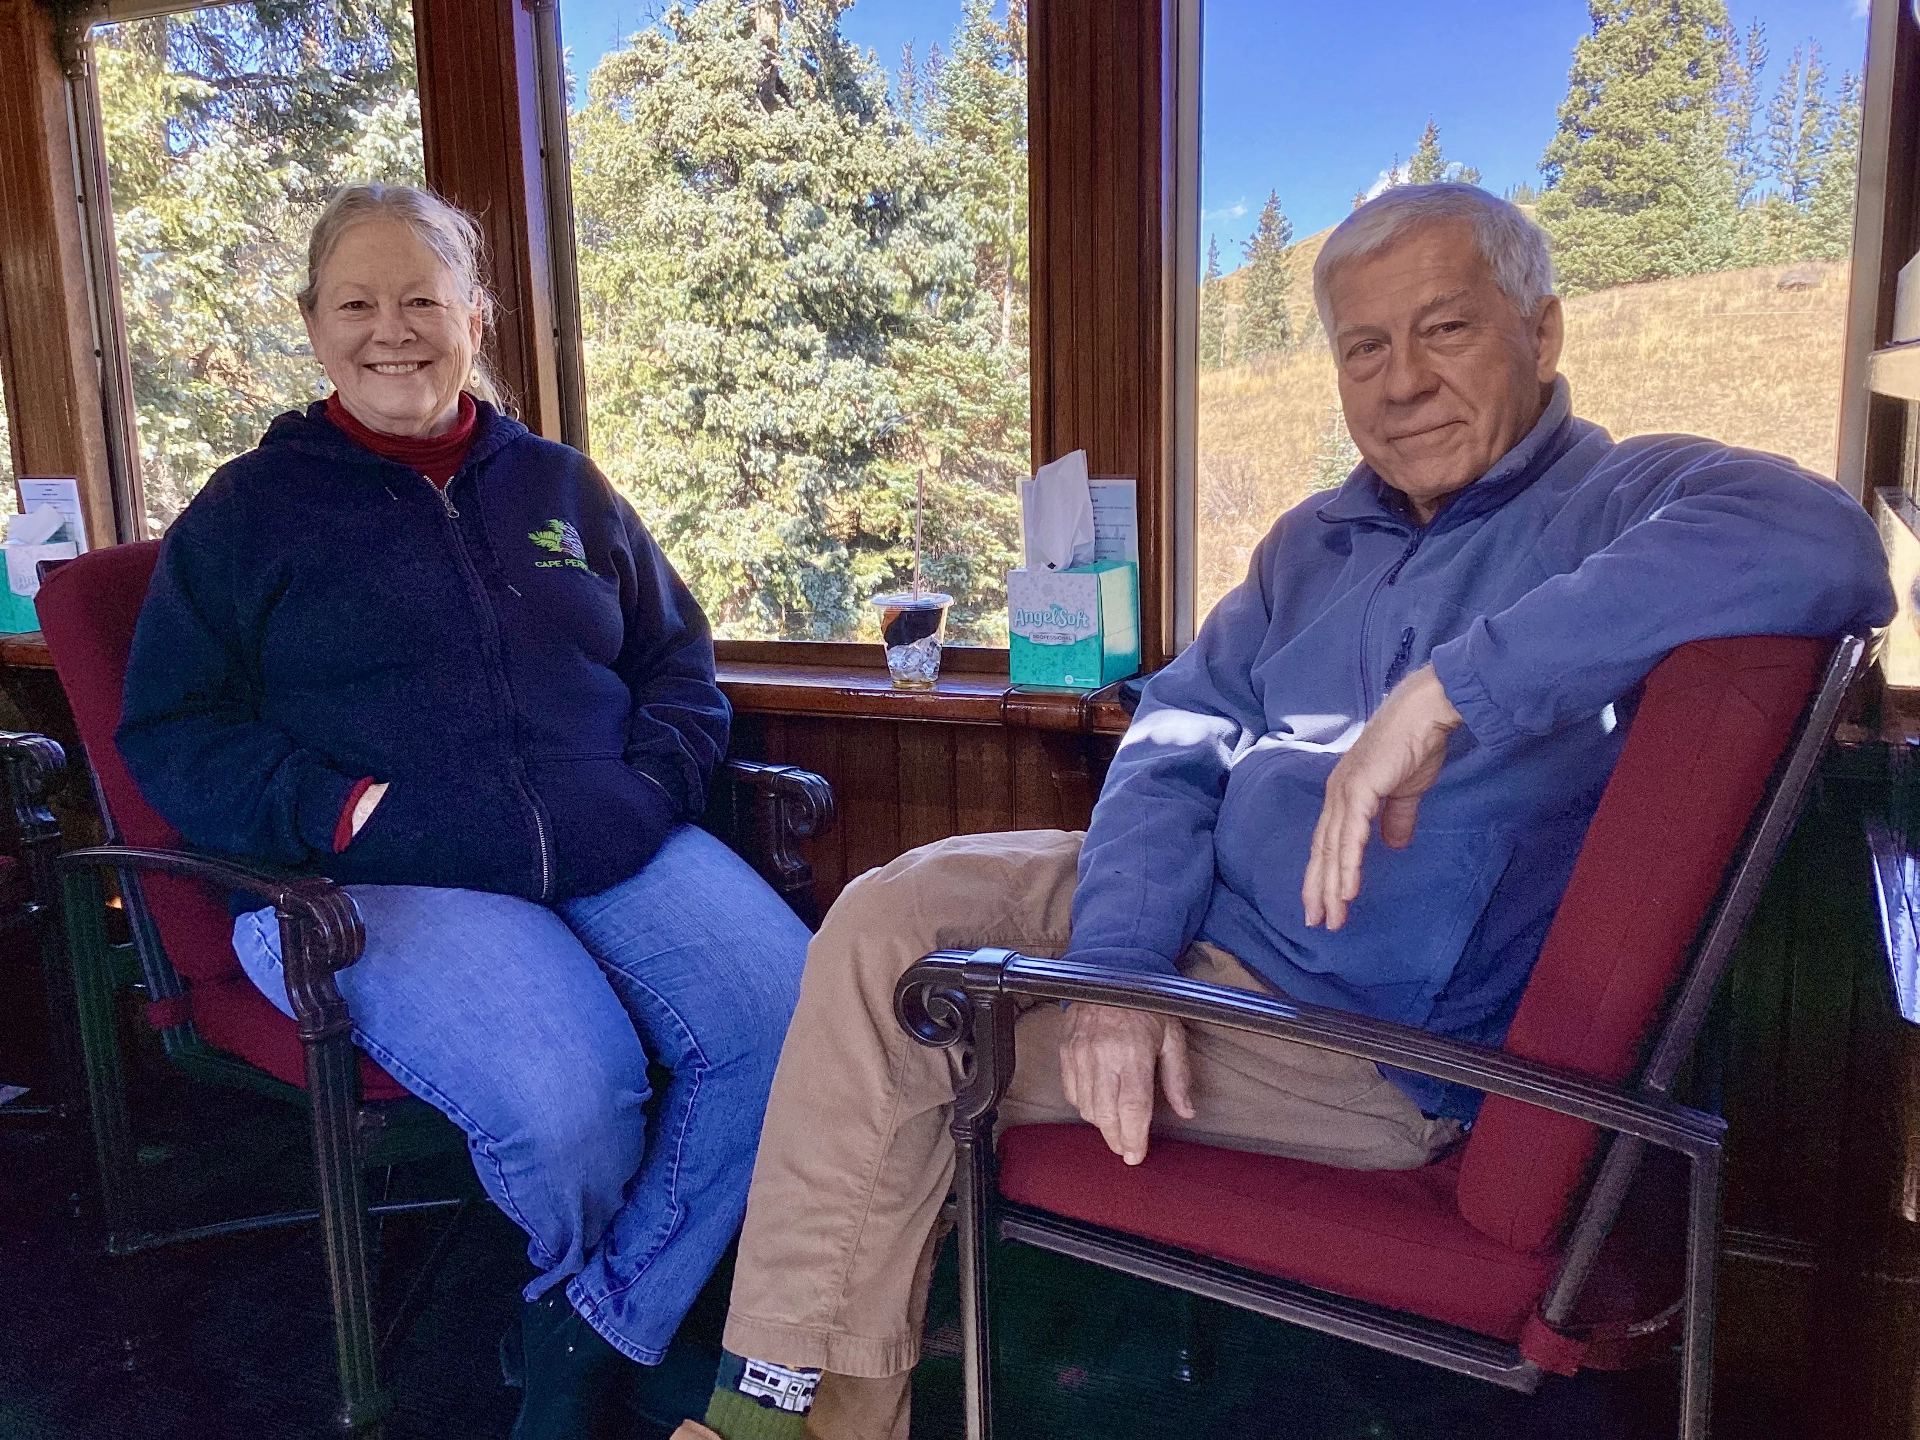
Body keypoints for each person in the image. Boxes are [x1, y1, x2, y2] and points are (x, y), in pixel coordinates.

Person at [670, 183, 1896, 1440]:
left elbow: (1826, 539)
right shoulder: (1314, 539)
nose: (1402, 381)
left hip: (1351, 1040)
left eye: (1446, 330)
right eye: (1365, 348)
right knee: (888, 913)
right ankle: (801, 1402)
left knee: (900, 1044)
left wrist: (1451, 692)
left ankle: (773, 1421)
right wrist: (1120, 969)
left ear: (1545, 331)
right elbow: (1178, 737)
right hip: (1198, 927)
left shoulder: (1619, 501)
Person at [115, 182, 814, 1440]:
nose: (394, 329)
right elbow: (174, 731)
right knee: (572, 1101)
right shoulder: (245, 510)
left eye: (423, 298)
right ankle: (635, 1331)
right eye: (357, 302)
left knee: (803, 1023)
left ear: (475, 316)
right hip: (376, 877)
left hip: (612, 841)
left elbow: (678, 664)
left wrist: (649, 784)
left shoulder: (561, 485)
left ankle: (594, 1321)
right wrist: (338, 810)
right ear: (313, 323)